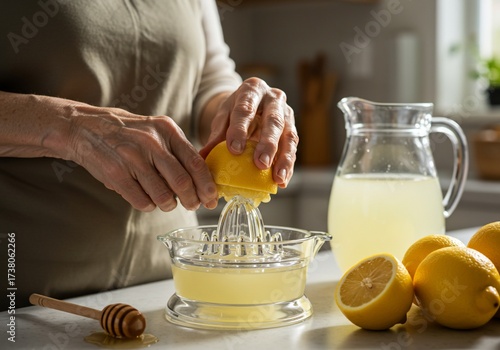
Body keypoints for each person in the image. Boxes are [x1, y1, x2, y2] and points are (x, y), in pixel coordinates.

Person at [0, 0, 298, 311]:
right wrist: (69, 125)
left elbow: (208, 80)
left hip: (170, 288)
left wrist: (243, 113)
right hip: (23, 296)